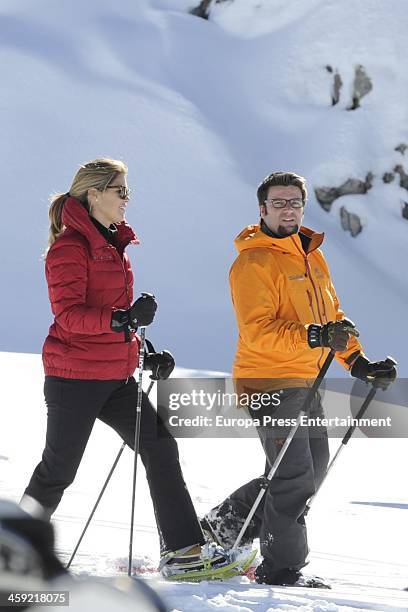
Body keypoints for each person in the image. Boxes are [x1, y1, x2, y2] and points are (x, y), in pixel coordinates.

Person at [20, 158, 228, 578]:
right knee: (58, 471)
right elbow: (68, 316)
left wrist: (141, 350)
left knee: (161, 448)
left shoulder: (112, 245)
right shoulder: (69, 248)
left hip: (115, 377)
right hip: (73, 378)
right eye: (120, 190)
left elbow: (114, 314)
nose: (127, 199)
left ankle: (185, 552)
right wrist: (123, 320)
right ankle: (13, 547)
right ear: (93, 194)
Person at [202, 171, 397, 587]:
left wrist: (358, 362)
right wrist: (315, 336)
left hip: (306, 378)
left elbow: (332, 320)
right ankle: (281, 569)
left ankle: (226, 523)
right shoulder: (253, 261)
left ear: (302, 207)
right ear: (262, 208)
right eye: (279, 202)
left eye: (294, 202)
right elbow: (258, 330)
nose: (287, 208)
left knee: (310, 472)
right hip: (269, 379)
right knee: (293, 476)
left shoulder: (311, 256)